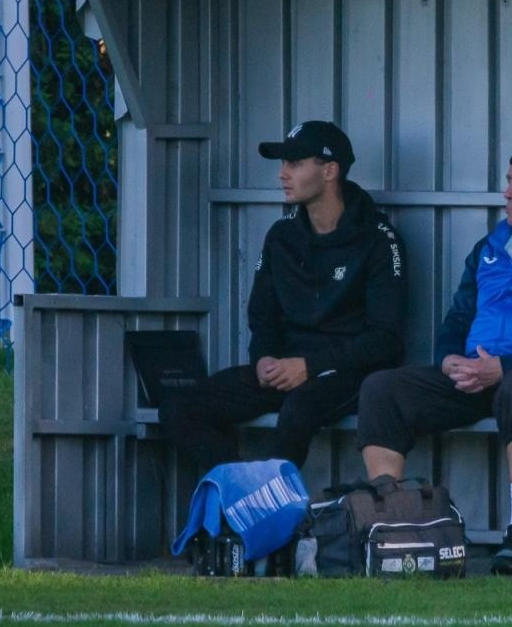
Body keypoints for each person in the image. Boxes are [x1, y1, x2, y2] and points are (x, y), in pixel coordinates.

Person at [355, 143, 512, 575]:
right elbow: (458, 316)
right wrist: (449, 361)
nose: (507, 192)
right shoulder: (489, 247)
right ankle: (391, 526)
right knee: (383, 388)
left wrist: (506, 367)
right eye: (508, 181)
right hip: (476, 375)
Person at [160, 121, 408, 477]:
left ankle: (274, 515)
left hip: (347, 374)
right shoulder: (282, 236)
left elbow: (385, 339)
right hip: (284, 371)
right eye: (283, 164)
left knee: (298, 409)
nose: (282, 174)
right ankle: (244, 492)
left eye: (294, 163)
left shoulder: (379, 239)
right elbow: (262, 317)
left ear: (329, 171)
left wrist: (309, 364)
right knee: (179, 408)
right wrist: (263, 359)